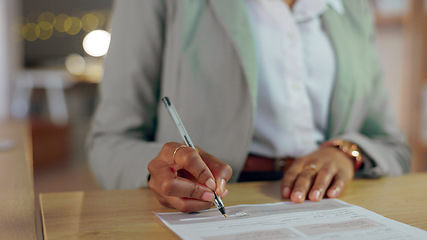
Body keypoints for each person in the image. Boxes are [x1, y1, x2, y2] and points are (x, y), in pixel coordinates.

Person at [87, 0, 411, 213]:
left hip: (330, 205)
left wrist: (344, 153)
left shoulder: (352, 8)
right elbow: (110, 141)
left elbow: (392, 147)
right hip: (217, 207)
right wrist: (156, 171)